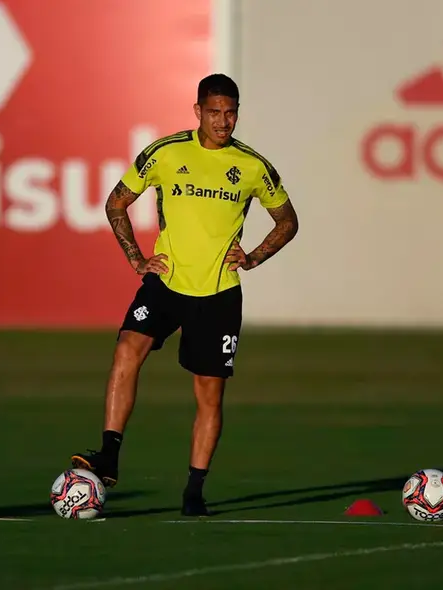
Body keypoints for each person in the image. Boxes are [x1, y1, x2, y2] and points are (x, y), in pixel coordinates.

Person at [70, 73, 299, 516]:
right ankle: (110, 455)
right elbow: (116, 201)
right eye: (214, 112)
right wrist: (137, 259)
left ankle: (194, 492)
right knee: (125, 350)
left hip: (218, 294)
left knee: (209, 396)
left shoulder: (253, 166)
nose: (223, 121)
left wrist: (252, 257)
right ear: (197, 111)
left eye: (230, 112)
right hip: (167, 282)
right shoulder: (165, 152)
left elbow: (287, 221)